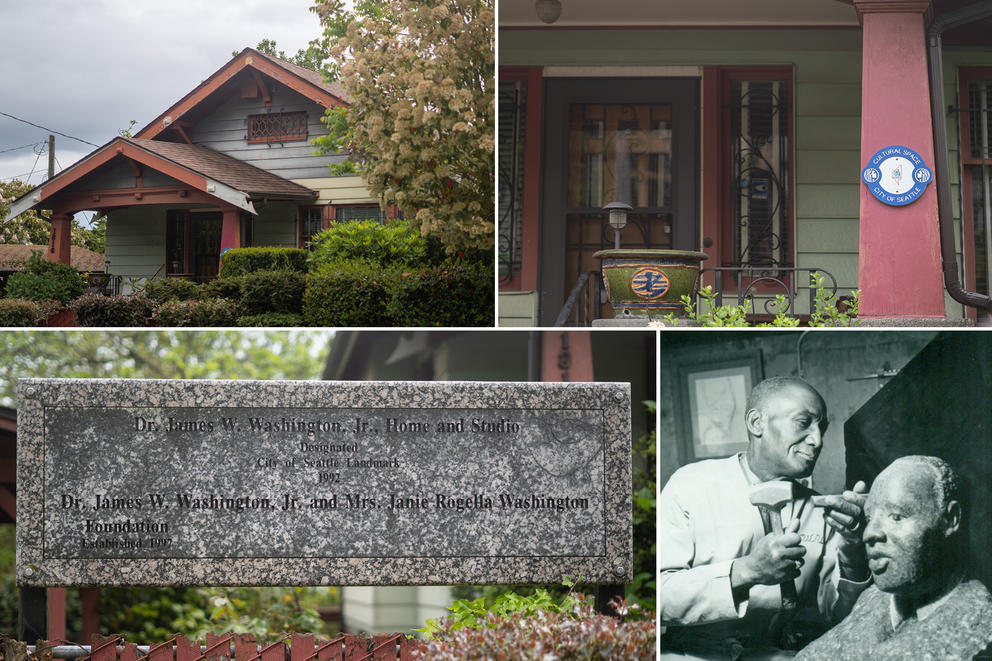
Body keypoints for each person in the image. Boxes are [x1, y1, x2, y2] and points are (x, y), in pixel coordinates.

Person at [660, 376, 872, 659]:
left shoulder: (824, 511)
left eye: (822, 427)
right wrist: (747, 571)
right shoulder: (691, 485)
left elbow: (841, 619)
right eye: (803, 422)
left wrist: (854, 555)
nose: (817, 440)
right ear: (756, 423)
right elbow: (659, 599)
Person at [795, 455, 992, 661]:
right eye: (870, 518)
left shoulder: (980, 628)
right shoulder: (874, 599)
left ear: (951, 519)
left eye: (897, 517)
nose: (869, 534)